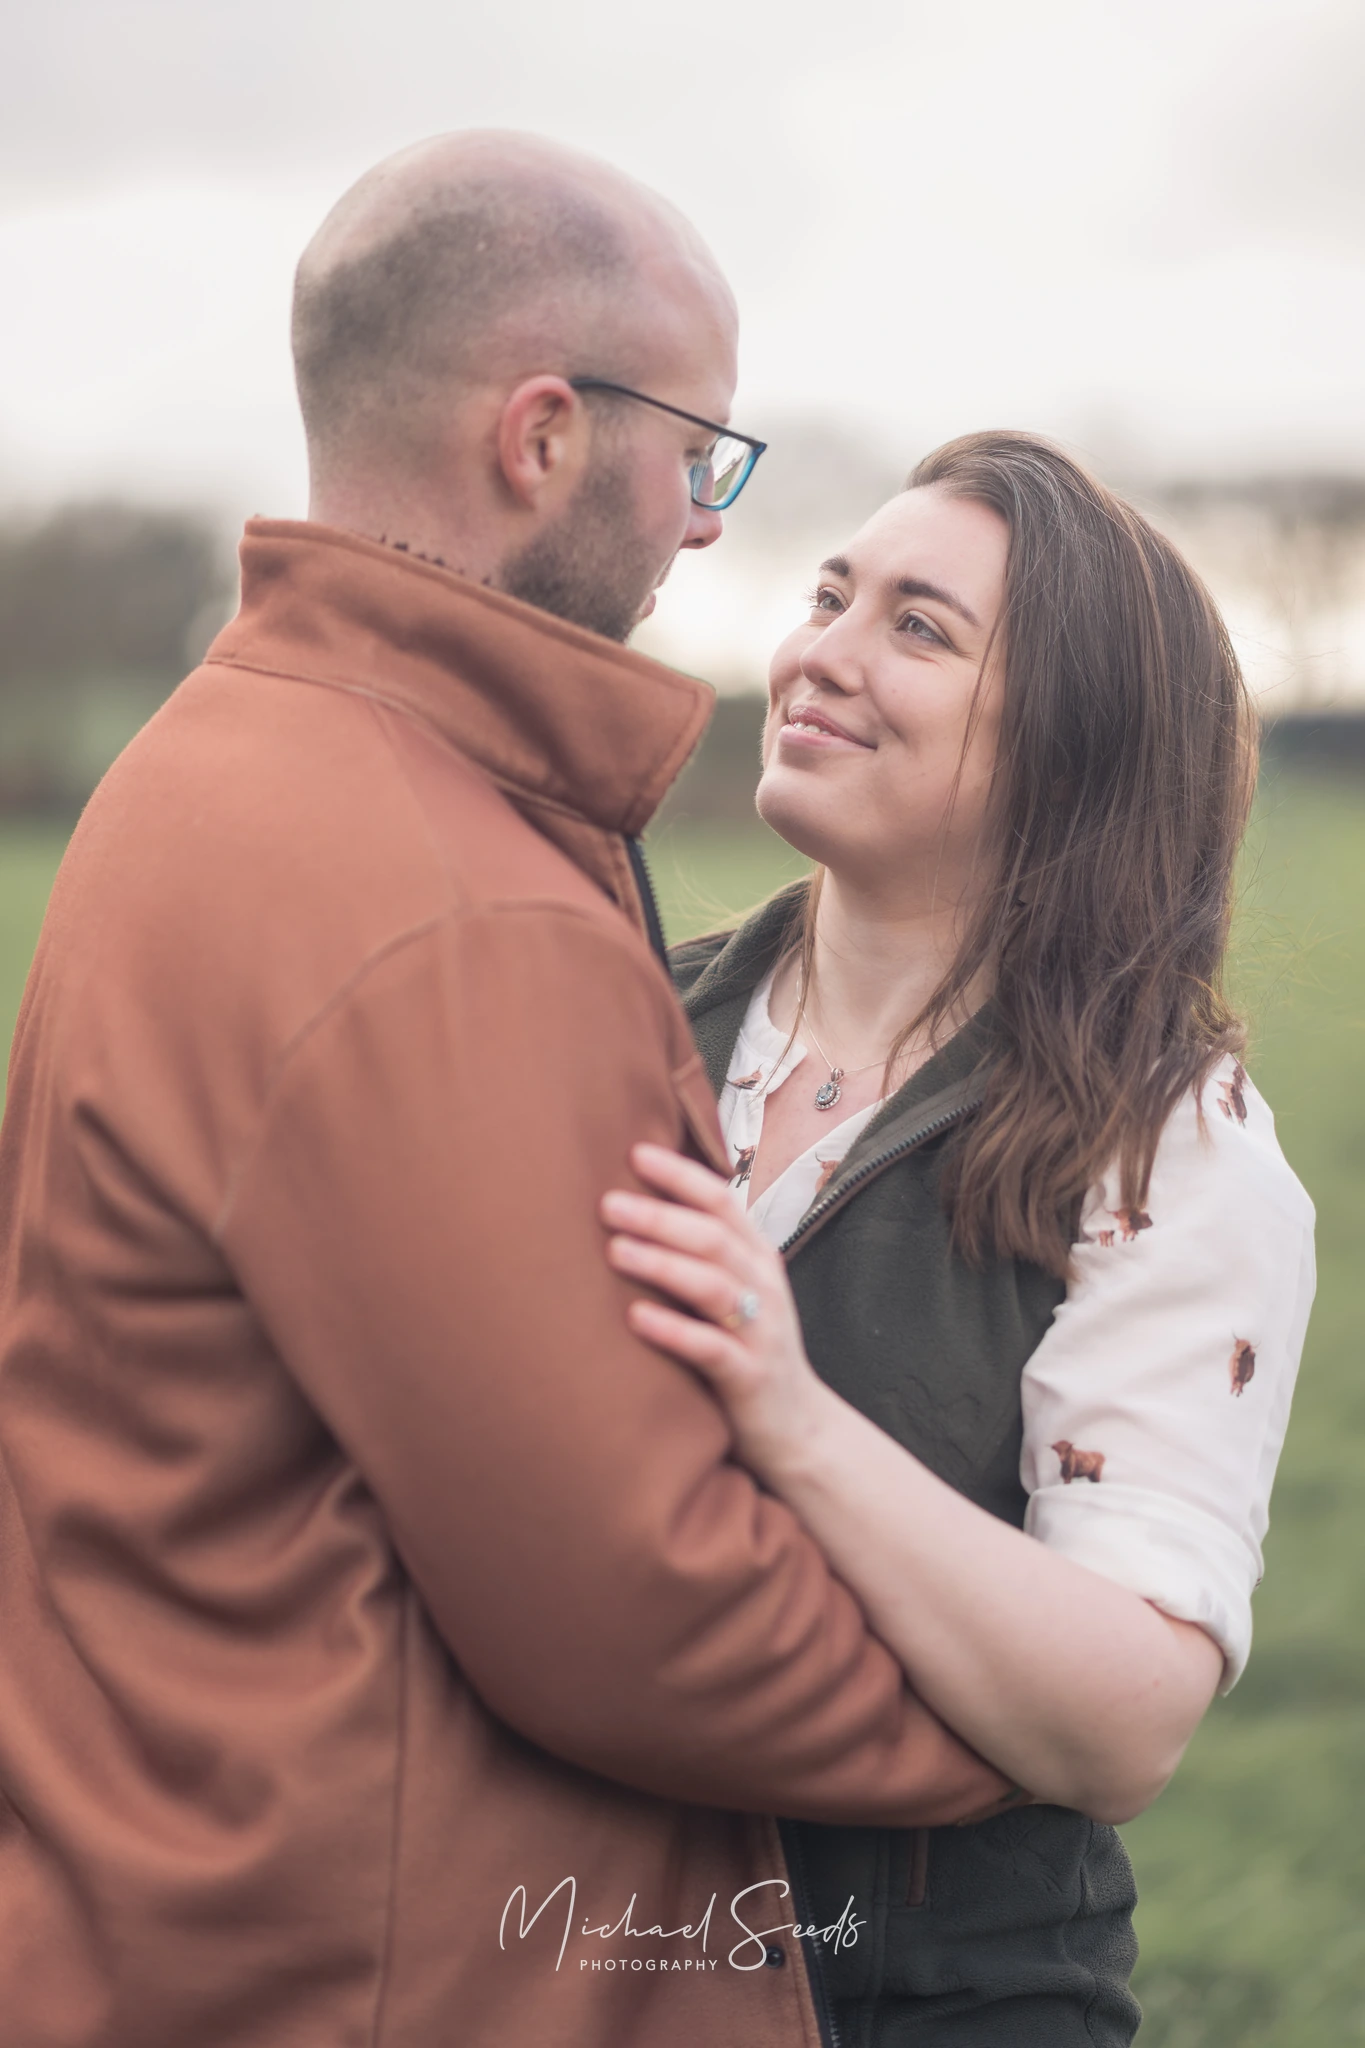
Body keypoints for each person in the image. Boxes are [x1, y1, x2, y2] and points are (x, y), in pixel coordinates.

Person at [0, 134, 1029, 2048]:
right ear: (542, 437)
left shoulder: (194, 766)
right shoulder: (458, 901)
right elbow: (637, 1605)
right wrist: (1014, 1729)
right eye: (698, 455)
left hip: (177, 1910)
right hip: (418, 1971)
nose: (709, 524)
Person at [602, 432, 1315, 2045]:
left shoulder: (1170, 1147)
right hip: (564, 1965)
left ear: (1076, 750)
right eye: (832, 595)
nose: (819, 656)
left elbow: (1123, 1724)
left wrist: (786, 1416)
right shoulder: (619, 1005)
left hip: (923, 2005)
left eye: (917, 629)